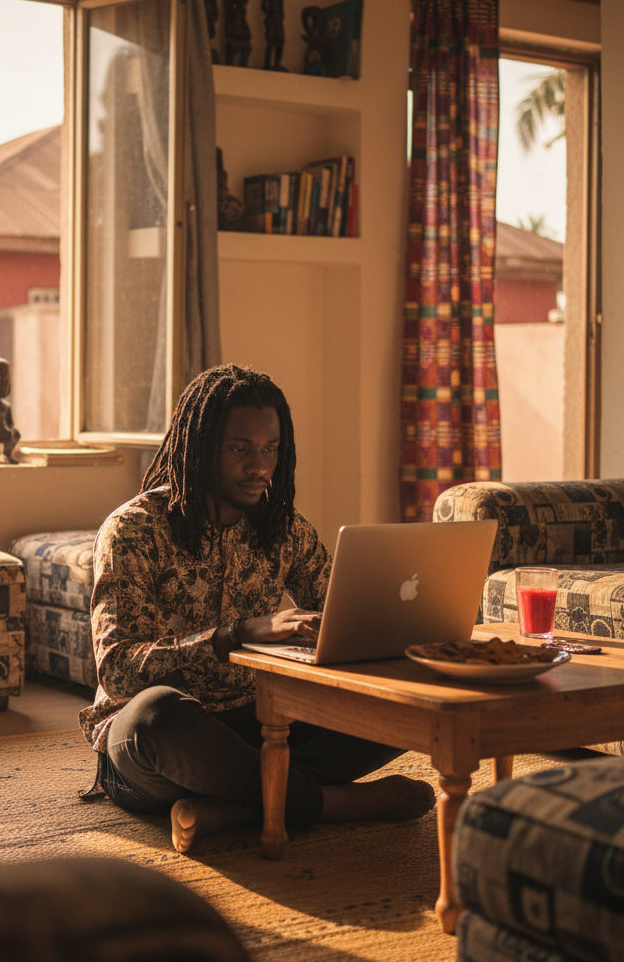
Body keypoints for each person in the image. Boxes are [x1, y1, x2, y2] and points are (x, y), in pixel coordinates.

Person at [79, 363, 435, 854]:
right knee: (154, 715)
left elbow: (345, 613)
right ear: (201, 449)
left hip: (264, 724)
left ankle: (237, 807)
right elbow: (118, 672)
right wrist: (233, 635)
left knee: (407, 709)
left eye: (271, 450)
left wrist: (389, 636)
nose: (260, 467)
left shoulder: (282, 528)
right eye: (240, 449)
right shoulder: (133, 531)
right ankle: (339, 804)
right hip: (163, 747)